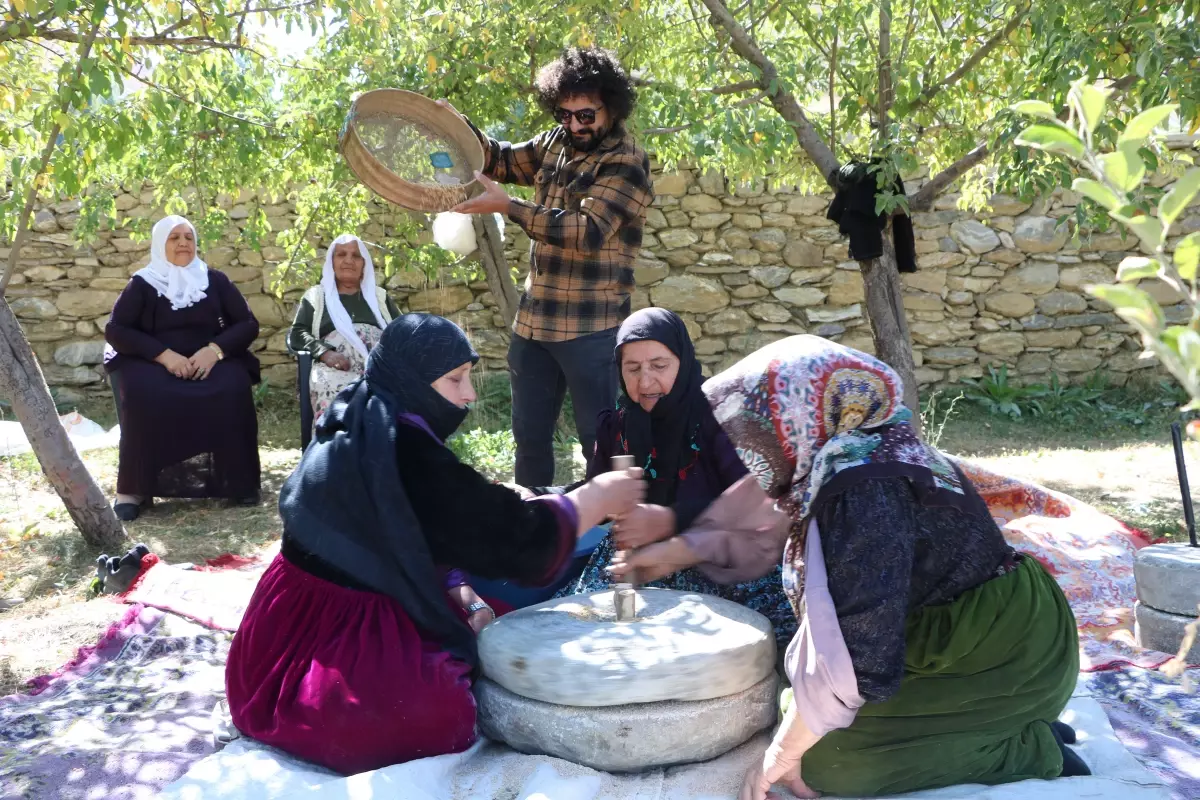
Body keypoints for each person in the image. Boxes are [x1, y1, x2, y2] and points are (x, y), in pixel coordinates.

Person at [225, 313, 645, 776]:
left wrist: (460, 592)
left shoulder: (359, 413)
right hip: (328, 644)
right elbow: (522, 542)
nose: (469, 395)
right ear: (413, 381)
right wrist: (596, 497)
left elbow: (410, 528)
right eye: (455, 380)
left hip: (269, 640)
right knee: (440, 714)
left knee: (493, 611)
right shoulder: (406, 451)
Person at [684, 336, 1081, 800]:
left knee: (825, 762)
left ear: (790, 422)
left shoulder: (863, 486)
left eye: (746, 438)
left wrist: (785, 755)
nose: (740, 457)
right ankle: (990, 724)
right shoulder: (859, 449)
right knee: (797, 701)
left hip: (1007, 655)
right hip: (969, 633)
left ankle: (1028, 748)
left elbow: (861, 651)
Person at [439, 46, 654, 487]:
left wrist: (509, 206)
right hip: (534, 324)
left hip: (591, 329)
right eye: (564, 113)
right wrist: (458, 129)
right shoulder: (554, 141)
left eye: (586, 115)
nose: (574, 125)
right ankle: (533, 528)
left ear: (611, 107)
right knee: (529, 441)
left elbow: (587, 230)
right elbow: (497, 159)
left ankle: (606, 538)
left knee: (601, 443)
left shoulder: (627, 161)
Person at [541, 308, 796, 646]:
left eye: (659, 366)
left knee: (749, 641)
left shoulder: (724, 416)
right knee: (584, 631)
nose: (645, 382)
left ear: (683, 360)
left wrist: (670, 520)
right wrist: (542, 496)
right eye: (632, 369)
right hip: (637, 559)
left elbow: (757, 505)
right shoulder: (617, 425)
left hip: (719, 556)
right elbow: (598, 496)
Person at [104, 215, 261, 521]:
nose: (183, 243)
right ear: (160, 243)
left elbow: (247, 323)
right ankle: (135, 488)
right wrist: (163, 355)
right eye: (174, 237)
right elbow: (117, 330)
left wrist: (214, 351)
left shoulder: (214, 281)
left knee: (232, 385)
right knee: (144, 391)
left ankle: (238, 481)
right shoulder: (142, 283)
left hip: (209, 361)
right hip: (157, 362)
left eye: (188, 237)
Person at [286, 233, 400, 426]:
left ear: (364, 265)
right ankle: (337, 450)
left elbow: (402, 331)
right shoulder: (316, 297)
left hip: (380, 367)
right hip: (334, 367)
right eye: (341, 254)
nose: (349, 260)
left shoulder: (380, 297)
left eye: (356, 256)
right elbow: (298, 333)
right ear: (332, 262)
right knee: (336, 392)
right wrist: (325, 353)